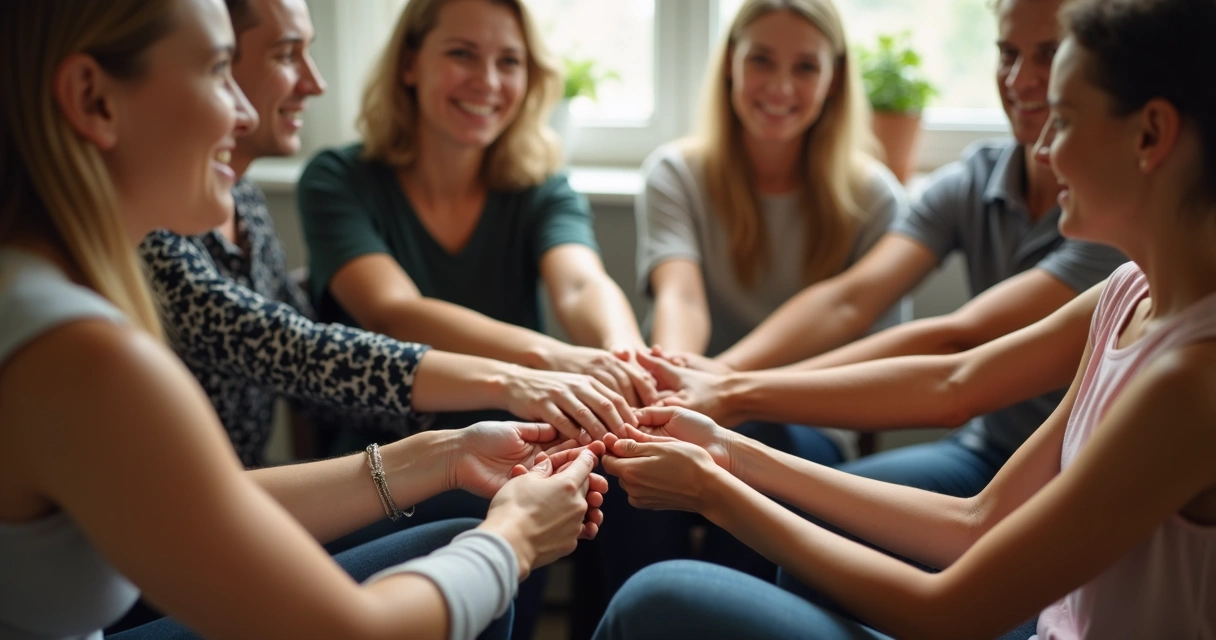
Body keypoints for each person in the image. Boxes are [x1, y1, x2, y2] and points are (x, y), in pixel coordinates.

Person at [595, 0, 1216, 637]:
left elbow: (949, 606)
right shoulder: (1124, 295)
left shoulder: (1188, 381)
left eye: (1063, 119)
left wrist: (715, 484)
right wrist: (726, 444)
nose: (1045, 147)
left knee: (654, 601)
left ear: (1150, 136)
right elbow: (977, 518)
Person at [0, 1, 605, 639]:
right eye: (215, 70)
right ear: (93, 99)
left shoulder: (41, 294)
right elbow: (354, 631)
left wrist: (447, 453)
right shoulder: (87, 356)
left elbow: (199, 503)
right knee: (472, 550)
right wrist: (514, 540)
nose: (240, 111)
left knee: (457, 529)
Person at [649, 0, 1127, 501]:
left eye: (1048, 54)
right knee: (820, 511)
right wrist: (720, 377)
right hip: (984, 449)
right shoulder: (973, 179)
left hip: (1076, 468)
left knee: (797, 499)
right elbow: (850, 300)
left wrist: (732, 391)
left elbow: (958, 344)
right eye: (1008, 53)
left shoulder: (1117, 216)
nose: (1019, 78)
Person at [296, 0, 658, 442]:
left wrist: (624, 356)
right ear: (409, 64)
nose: (487, 81)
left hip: (520, 449)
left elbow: (581, 284)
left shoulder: (543, 188)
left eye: (509, 61)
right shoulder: (336, 179)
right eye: (461, 54)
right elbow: (394, 313)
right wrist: (553, 358)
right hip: (384, 464)